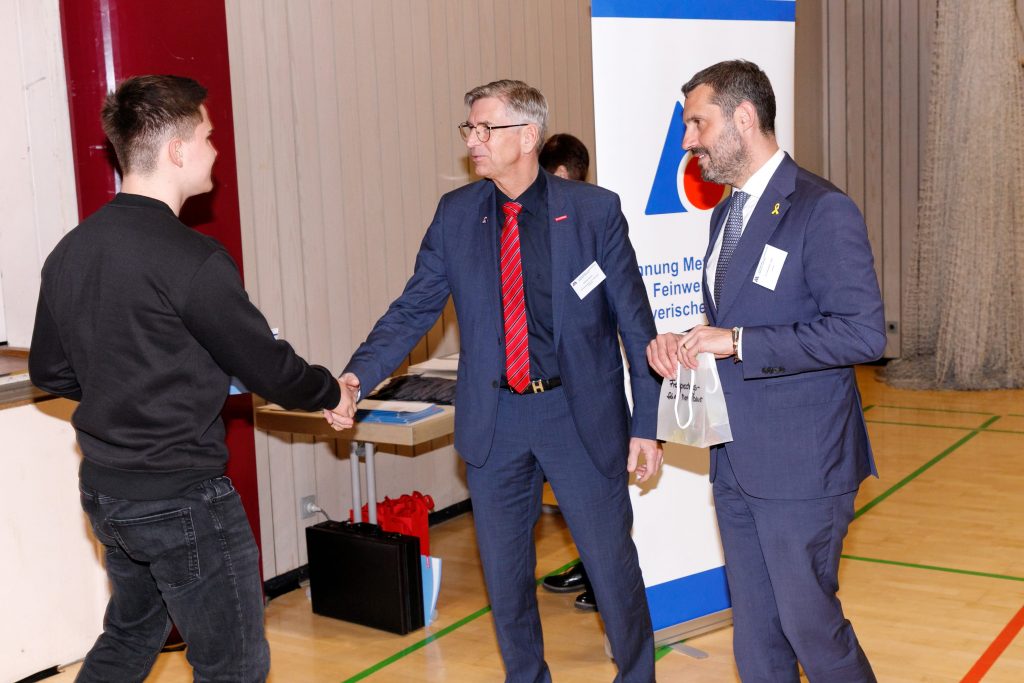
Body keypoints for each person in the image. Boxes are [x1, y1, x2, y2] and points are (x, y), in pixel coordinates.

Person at [330, 79, 663, 683]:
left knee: (612, 569)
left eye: (486, 128)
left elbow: (636, 325)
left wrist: (647, 424)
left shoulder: (593, 212)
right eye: (470, 129)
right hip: (496, 422)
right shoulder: (456, 215)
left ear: (528, 136)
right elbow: (412, 310)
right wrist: (357, 376)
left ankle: (636, 674)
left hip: (576, 415)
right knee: (506, 584)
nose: (473, 141)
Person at [29, 74, 352, 682]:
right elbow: (267, 368)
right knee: (233, 666)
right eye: (208, 136)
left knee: (130, 635)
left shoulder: (70, 251)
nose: (215, 150)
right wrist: (331, 391)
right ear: (177, 150)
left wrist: (130, 393)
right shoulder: (192, 258)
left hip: (108, 493)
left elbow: (49, 368)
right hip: (182, 498)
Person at [647, 60, 884, 683]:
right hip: (735, 459)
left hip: (803, 463)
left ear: (744, 118)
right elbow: (736, 320)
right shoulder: (726, 214)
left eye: (698, 123)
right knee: (755, 632)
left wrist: (737, 342)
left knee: (811, 628)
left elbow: (862, 332)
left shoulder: (822, 209)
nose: (688, 140)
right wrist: (687, 342)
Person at [535, 132, 598, 613]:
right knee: (570, 493)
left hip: (589, 382)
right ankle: (587, 564)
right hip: (548, 389)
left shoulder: (595, 218)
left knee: (595, 495)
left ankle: (601, 578)